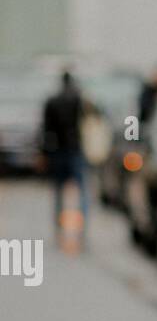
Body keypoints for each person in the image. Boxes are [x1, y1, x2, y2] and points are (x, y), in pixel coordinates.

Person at [41, 70, 90, 236]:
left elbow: (46, 130)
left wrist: (45, 153)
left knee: (58, 192)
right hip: (75, 149)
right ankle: (82, 226)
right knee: (82, 190)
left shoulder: (52, 101)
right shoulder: (78, 100)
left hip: (58, 150)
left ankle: (58, 226)